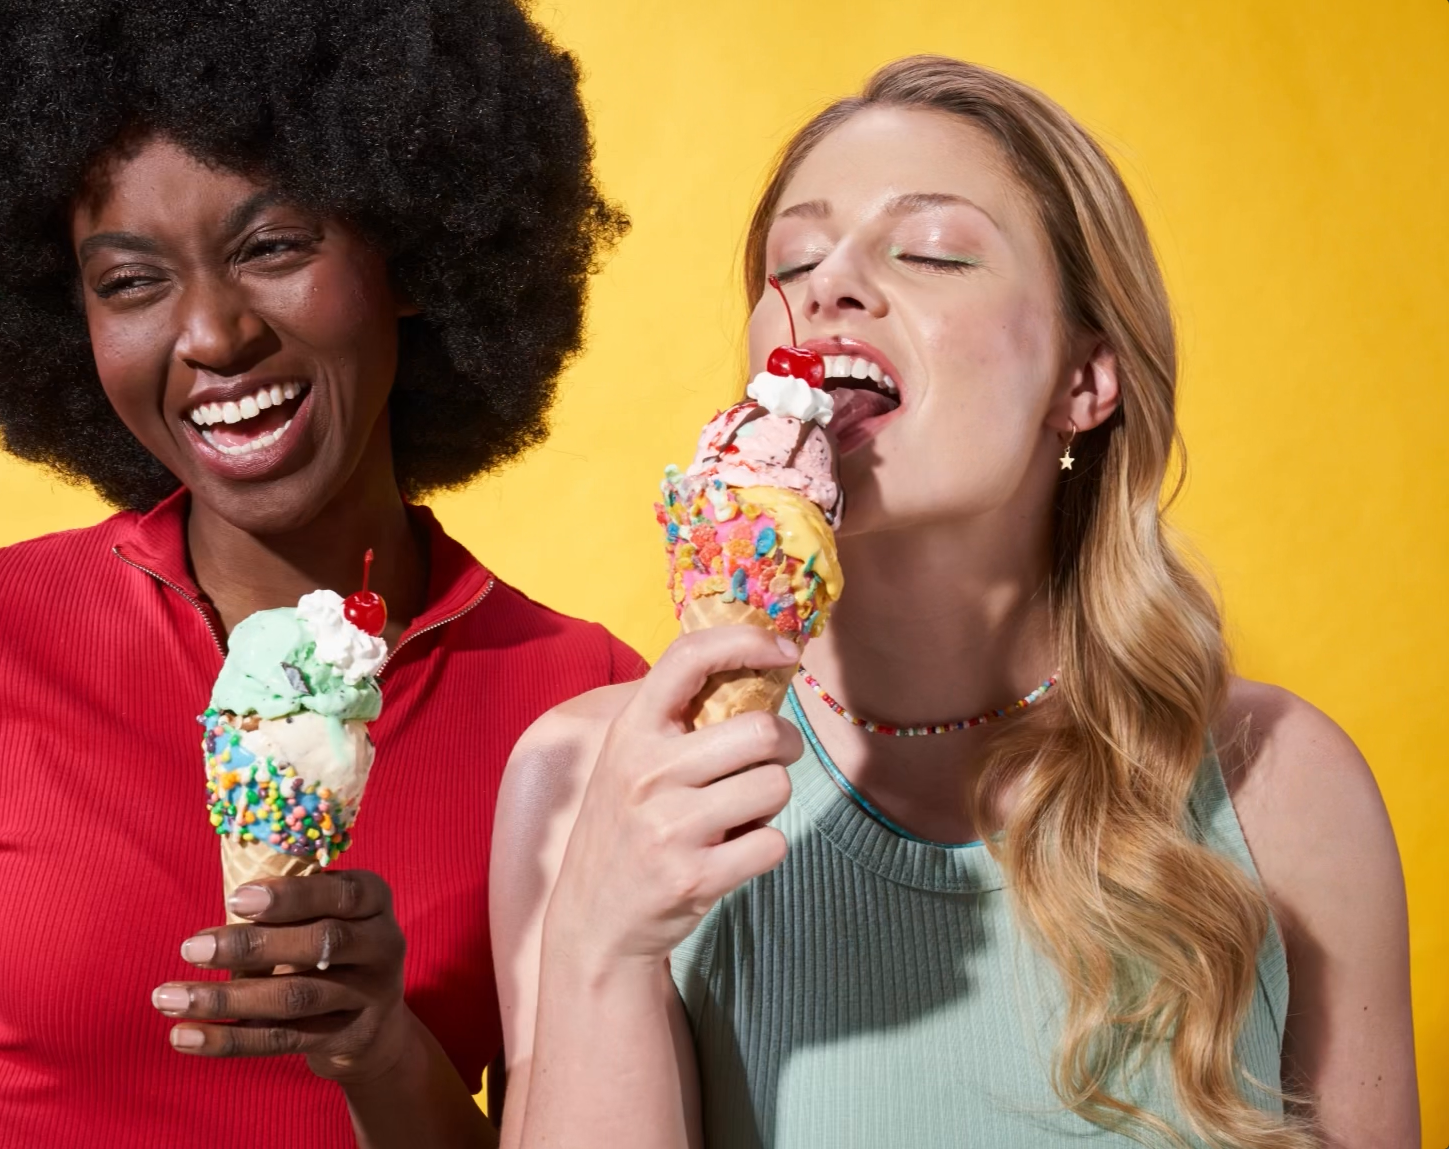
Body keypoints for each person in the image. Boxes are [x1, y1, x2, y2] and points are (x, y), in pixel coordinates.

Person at [492, 56, 1419, 1149]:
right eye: (794, 260)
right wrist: (602, 943)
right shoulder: (589, 784)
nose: (829, 281)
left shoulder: (1281, 789)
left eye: (930, 251)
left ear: (1084, 381)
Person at [0, 1, 643, 1146]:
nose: (212, 336)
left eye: (272, 247)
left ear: (414, 247)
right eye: (131, 281)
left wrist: (380, 1051)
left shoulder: (581, 706)